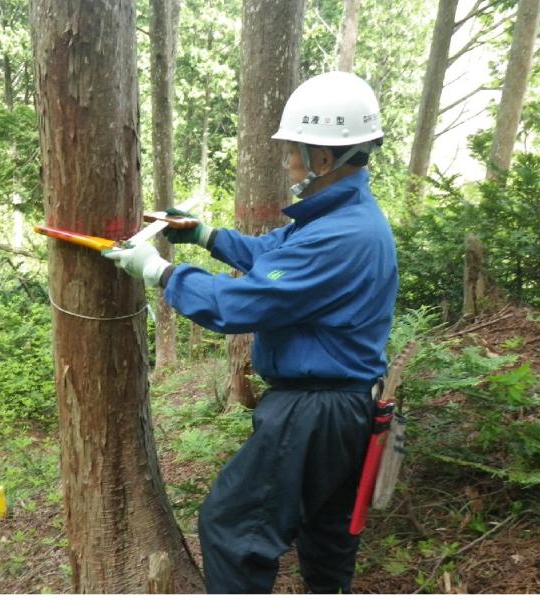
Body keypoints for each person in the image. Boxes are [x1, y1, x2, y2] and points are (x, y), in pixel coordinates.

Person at [104, 71, 398, 593]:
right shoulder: (342, 217)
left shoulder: (342, 235)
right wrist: (205, 235)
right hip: (343, 409)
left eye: (293, 152)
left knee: (233, 529)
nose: (287, 162)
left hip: (316, 411)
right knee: (325, 536)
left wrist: (161, 273)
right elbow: (276, 257)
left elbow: (247, 303)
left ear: (323, 160)